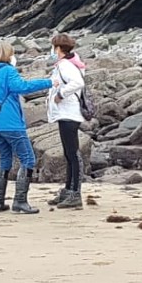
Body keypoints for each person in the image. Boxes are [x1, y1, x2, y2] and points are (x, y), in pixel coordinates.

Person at [0, 43, 52, 215]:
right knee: (28, 159)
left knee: (5, 159)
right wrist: (49, 82)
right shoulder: (7, 71)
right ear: (8, 55)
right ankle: (20, 201)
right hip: (10, 123)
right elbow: (22, 87)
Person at [46, 34, 88, 211]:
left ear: (57, 49)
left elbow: (78, 82)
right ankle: (68, 190)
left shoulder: (65, 65)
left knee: (72, 153)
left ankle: (75, 193)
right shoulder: (68, 63)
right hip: (66, 114)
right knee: (68, 153)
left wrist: (60, 95)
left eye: (53, 48)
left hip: (69, 114)